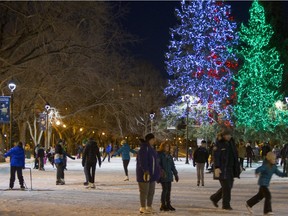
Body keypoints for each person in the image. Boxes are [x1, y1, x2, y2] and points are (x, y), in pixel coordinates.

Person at [210, 129, 241, 210]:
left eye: (229, 135)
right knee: (226, 186)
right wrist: (217, 167)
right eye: (227, 135)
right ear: (223, 136)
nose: (229, 136)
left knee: (229, 186)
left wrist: (238, 165)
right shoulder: (219, 143)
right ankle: (226, 205)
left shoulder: (231, 143)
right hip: (222, 169)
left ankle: (215, 198)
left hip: (231, 168)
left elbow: (235, 155)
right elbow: (216, 156)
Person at [136, 133, 160, 214]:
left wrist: (158, 171)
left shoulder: (151, 149)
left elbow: (155, 162)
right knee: (144, 191)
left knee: (151, 191)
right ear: (149, 139)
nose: (154, 141)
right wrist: (145, 170)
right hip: (144, 174)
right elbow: (143, 161)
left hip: (152, 174)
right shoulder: (144, 148)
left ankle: (149, 206)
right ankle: (142, 207)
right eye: (153, 139)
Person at [157, 142, 179, 211]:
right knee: (165, 190)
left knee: (168, 190)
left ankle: (168, 204)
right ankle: (163, 205)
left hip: (169, 175)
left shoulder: (169, 156)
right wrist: (161, 171)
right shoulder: (160, 155)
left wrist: (175, 174)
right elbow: (158, 164)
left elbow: (172, 166)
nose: (167, 148)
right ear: (163, 147)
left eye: (168, 146)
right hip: (163, 175)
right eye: (166, 146)